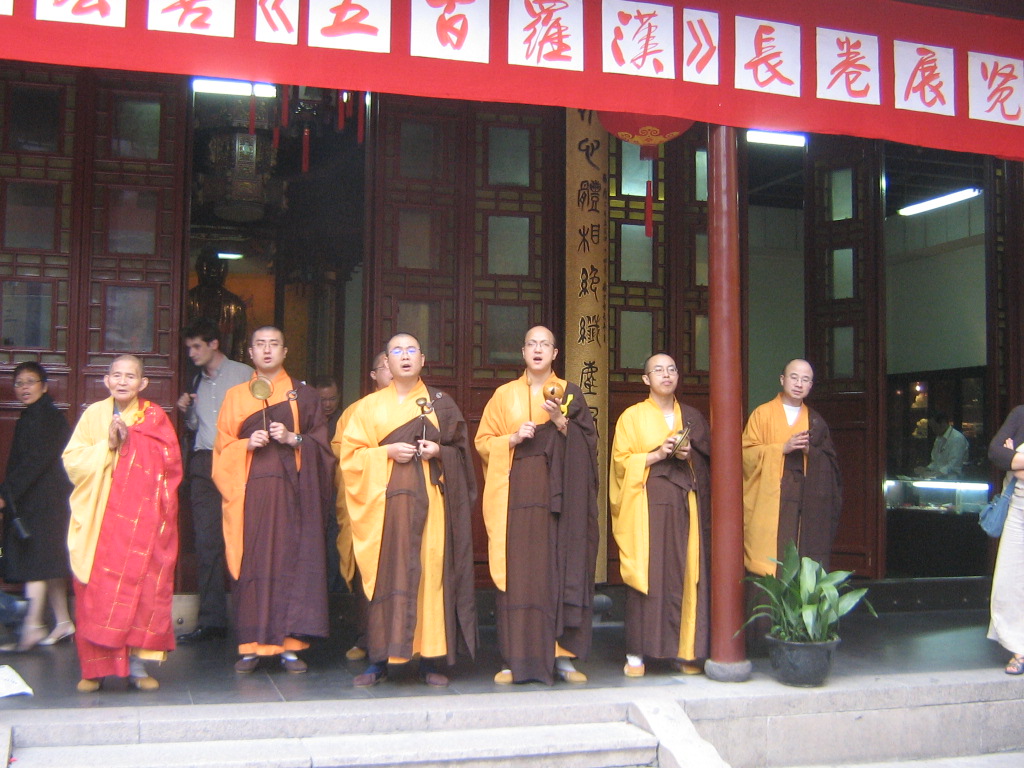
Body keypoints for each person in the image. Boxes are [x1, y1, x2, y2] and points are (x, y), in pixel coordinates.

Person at [339, 333, 477, 688]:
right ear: (386, 362)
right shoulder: (367, 408)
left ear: (422, 360)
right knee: (388, 576)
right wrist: (385, 453)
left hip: (432, 508)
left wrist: (439, 452)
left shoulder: (441, 404)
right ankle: (379, 660)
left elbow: (463, 455)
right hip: (385, 510)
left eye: (411, 350)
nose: (404, 356)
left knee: (430, 576)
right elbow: (350, 458)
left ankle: (430, 659)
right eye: (397, 351)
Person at [475, 325, 599, 685]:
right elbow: (483, 442)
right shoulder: (503, 395)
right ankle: (515, 658)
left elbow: (589, 444)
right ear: (523, 352)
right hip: (516, 495)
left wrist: (561, 422)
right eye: (532, 344)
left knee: (557, 570)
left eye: (545, 344)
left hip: (559, 499)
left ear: (555, 353)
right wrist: (512, 439)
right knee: (519, 574)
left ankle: (562, 657)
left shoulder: (570, 393)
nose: (538, 350)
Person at [212, 326, 336, 674]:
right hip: (250, 495)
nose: (267, 350)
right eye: (260, 345)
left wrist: (295, 439)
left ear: (284, 352)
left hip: (292, 496)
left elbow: (322, 448)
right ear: (250, 353)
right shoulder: (236, 396)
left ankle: (289, 647)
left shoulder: (303, 395)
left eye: (274, 344)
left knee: (289, 564)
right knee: (252, 564)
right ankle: (251, 646)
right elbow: (221, 449)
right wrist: (245, 445)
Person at [61, 356, 182, 692]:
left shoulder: (154, 418)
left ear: (143, 384)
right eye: (117, 375)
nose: (123, 381)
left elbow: (170, 465)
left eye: (131, 376)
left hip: (140, 521)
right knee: (96, 595)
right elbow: (72, 462)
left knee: (140, 593)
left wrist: (134, 443)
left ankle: (137, 667)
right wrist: (110, 446)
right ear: (106, 380)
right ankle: (94, 670)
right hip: (100, 516)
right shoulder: (93, 415)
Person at [609, 354, 711, 677]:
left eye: (671, 370)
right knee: (649, 572)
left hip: (684, 503)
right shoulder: (632, 417)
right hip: (646, 505)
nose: (666, 375)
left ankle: (684, 652)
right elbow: (621, 463)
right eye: (658, 370)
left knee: (686, 571)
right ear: (646, 379)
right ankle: (637, 654)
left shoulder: (692, 417)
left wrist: (689, 454)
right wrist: (657, 454)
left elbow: (711, 461)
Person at [175, 318, 253, 644]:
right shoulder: (197, 380)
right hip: (204, 462)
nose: (192, 353)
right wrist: (187, 411)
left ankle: (251, 619)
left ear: (214, 344)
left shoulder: (244, 374)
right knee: (207, 543)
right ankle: (212, 621)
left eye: (197, 346)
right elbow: (197, 426)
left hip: (238, 459)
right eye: (189, 347)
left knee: (245, 540)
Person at [742, 358, 842, 576]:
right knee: (770, 558)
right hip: (770, 496)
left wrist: (810, 452)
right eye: (794, 377)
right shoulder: (762, 414)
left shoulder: (815, 421)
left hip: (804, 498)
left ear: (811, 385)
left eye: (805, 380)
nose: (799, 384)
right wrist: (781, 448)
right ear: (782, 379)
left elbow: (830, 466)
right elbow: (746, 454)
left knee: (799, 553)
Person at [0, 363, 75, 652]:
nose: (24, 388)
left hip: (44, 502)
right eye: (19, 383)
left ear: (44, 386)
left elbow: (33, 463)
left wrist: (7, 493)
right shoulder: (38, 414)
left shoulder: (44, 418)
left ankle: (33, 625)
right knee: (50, 561)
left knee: (36, 562)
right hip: (44, 500)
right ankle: (63, 622)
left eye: (30, 382)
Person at [330, 350, 392, 661]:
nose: (393, 369)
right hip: (364, 503)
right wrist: (382, 456)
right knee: (365, 570)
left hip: (402, 500)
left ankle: (407, 640)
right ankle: (365, 637)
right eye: (385, 365)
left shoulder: (422, 407)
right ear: (373, 375)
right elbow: (342, 454)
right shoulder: (356, 411)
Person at [986, 405, 1024, 675]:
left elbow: (1007, 459)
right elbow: (996, 452)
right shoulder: (1021, 414)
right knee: (1009, 581)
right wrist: (1009, 458)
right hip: (1018, 510)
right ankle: (1019, 648)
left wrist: (1015, 460)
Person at [186, 248, 248, 363]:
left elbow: (240, 342)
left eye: (218, 267)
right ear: (198, 268)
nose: (213, 271)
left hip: (225, 363)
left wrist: (237, 367)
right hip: (191, 363)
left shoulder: (234, 304)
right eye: (208, 267)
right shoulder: (187, 300)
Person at [314, 376, 344, 593]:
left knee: (336, 537)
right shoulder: (308, 421)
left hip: (337, 488)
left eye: (332, 399)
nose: (327, 405)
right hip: (312, 487)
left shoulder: (345, 420)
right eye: (322, 400)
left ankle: (336, 590)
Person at [915, 411, 969, 479]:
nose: (933, 430)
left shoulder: (957, 438)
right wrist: (926, 469)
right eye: (931, 427)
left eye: (934, 427)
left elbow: (954, 465)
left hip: (953, 480)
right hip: (938, 479)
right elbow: (935, 462)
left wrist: (935, 474)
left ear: (943, 423)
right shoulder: (939, 438)